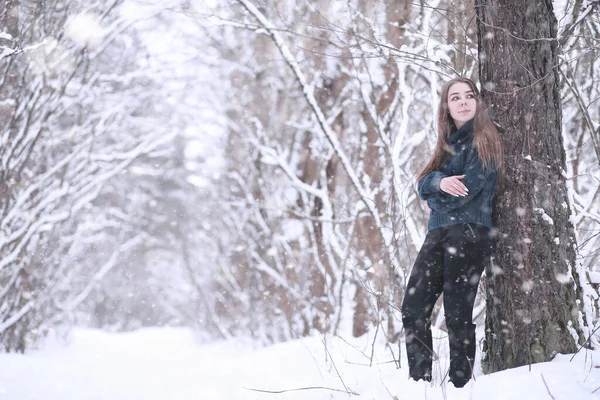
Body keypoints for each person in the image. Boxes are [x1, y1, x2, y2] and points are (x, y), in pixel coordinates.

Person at [401, 77, 504, 388]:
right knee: (413, 307)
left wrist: (437, 189)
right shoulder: (446, 146)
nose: (462, 102)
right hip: (438, 233)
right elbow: (421, 185)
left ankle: (462, 386)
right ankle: (420, 385)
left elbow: (468, 190)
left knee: (457, 312)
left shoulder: (484, 139)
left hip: (470, 232)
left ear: (477, 101)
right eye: (455, 97)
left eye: (468, 95)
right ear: (446, 107)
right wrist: (440, 182)